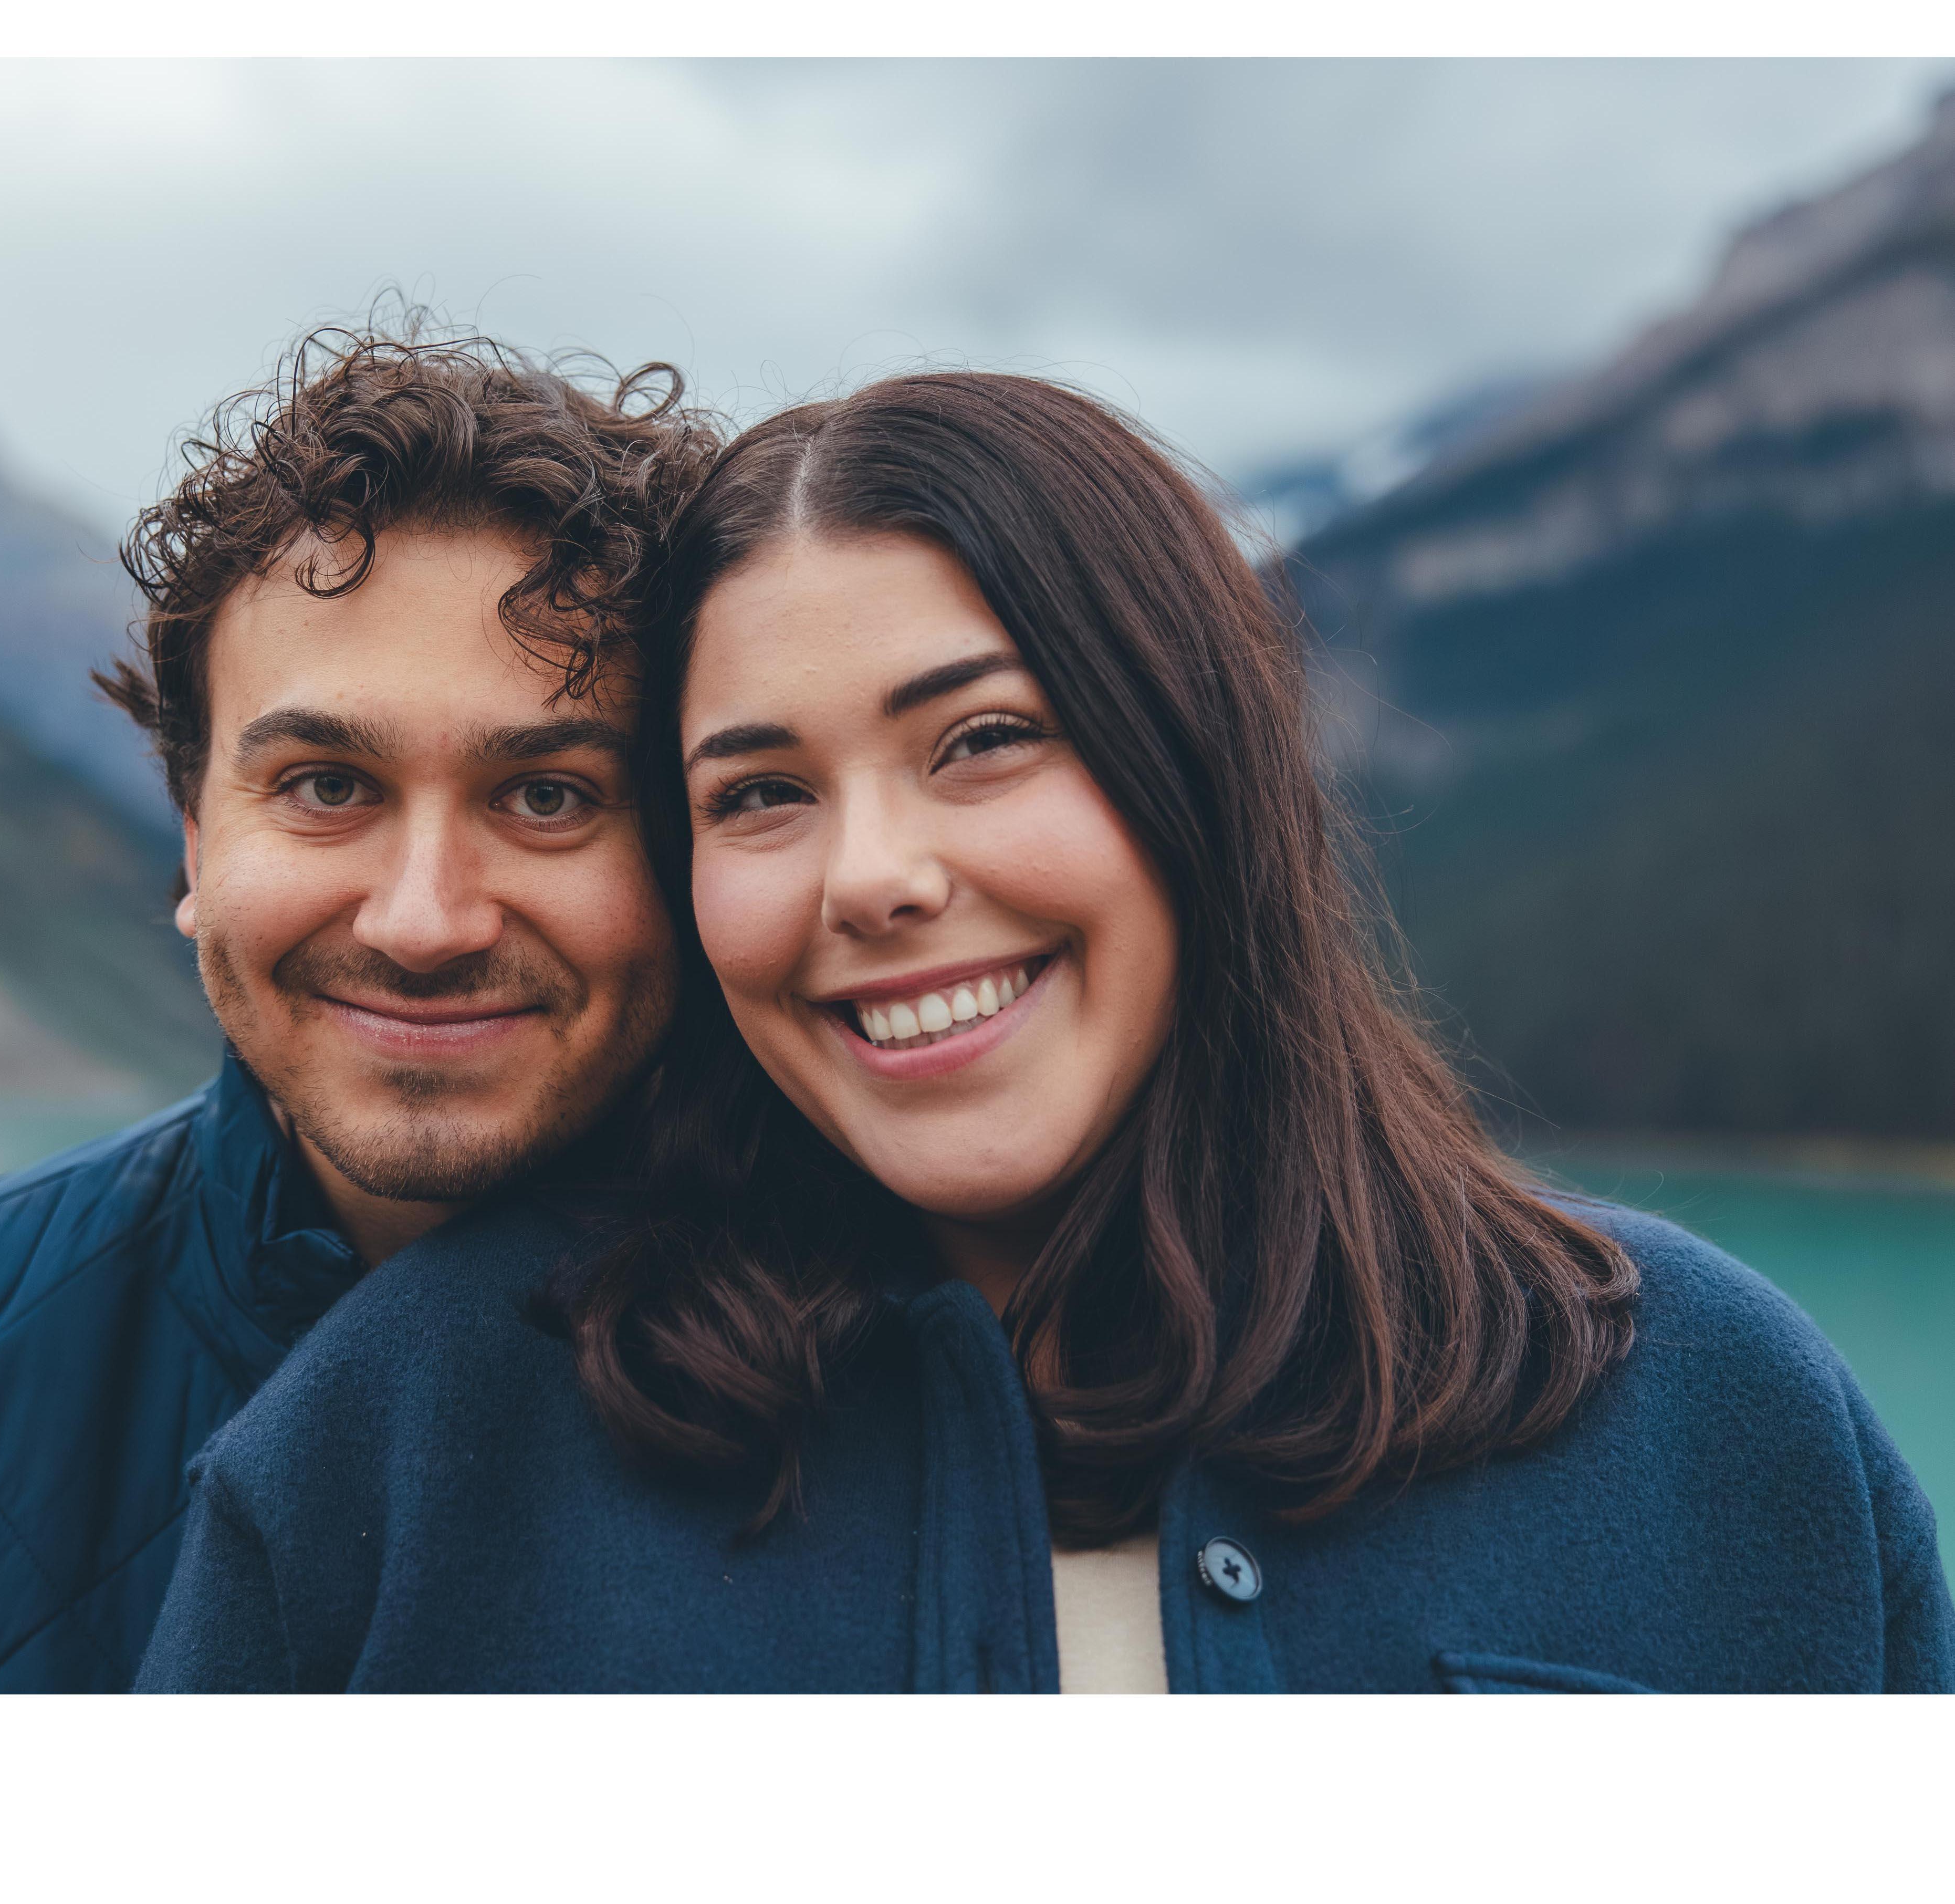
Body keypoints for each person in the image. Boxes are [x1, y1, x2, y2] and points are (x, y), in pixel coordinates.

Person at [140, 371, 1954, 1692]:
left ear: (1196, 773)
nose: (874, 877)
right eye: (759, 792)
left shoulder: (1703, 1409)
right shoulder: (416, 1437)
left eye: (984, 740)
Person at [0, 326, 714, 1692]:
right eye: (327, 786)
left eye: (547, 795)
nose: (421, 919)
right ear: (193, 837)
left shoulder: (915, 1341)